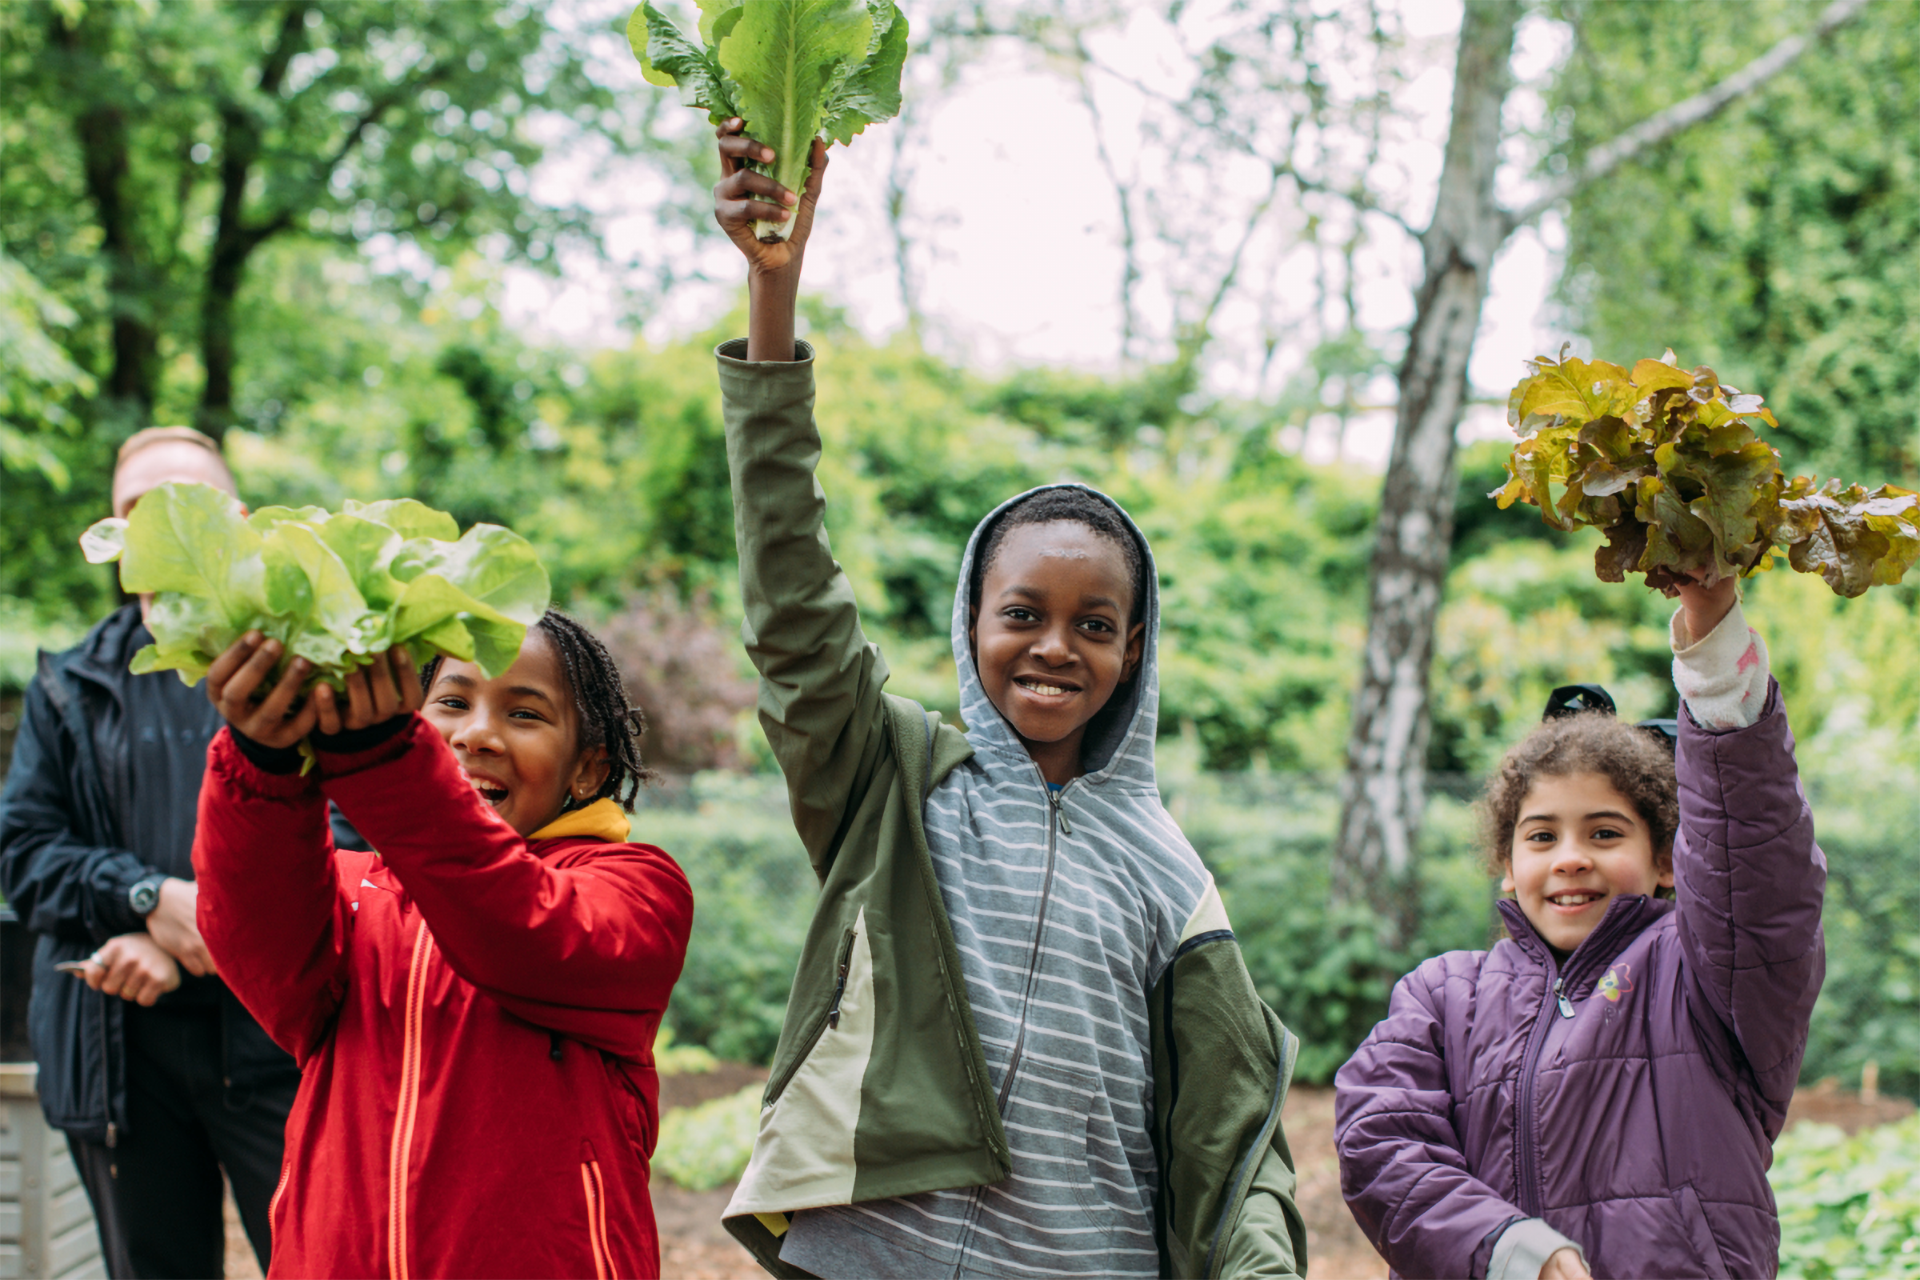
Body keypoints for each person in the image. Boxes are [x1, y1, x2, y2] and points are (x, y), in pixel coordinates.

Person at [707, 121, 1307, 1280]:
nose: (1053, 647)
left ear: (1134, 650)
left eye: (1094, 625)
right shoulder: (892, 776)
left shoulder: (1171, 874)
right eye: (1022, 612)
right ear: (972, 620)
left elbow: (1235, 1131)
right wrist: (771, 297)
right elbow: (789, 592)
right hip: (870, 1253)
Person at [1334, 574, 1825, 1280]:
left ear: (1664, 860)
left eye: (1603, 833)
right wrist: (1504, 1247)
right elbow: (1380, 1140)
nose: (1570, 858)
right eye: (1541, 837)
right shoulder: (1442, 996)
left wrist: (1715, 650)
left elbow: (1757, 861)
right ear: (1506, 864)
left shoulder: (1703, 969)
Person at [188, 610, 693, 1279]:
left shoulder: (638, 889)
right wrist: (262, 756)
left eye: (525, 714)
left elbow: (519, 928)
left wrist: (386, 758)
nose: (477, 734)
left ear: (586, 769)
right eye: (451, 703)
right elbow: (248, 923)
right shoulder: (344, 893)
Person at [0, 426, 301, 1280]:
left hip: (275, 1043)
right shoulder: (66, 685)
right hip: (117, 1054)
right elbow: (23, 852)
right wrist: (144, 904)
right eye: (140, 508)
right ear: (113, 534)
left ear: (237, 518)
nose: (163, 524)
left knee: (322, 1259)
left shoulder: (299, 666)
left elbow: (351, 833)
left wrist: (210, 929)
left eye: (189, 502)